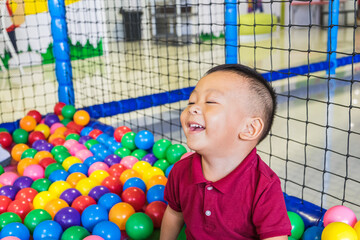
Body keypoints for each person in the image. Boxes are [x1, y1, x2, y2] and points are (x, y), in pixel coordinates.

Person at [160, 64, 292, 240]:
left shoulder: (264, 186)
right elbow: (174, 214)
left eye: (211, 102)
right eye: (191, 101)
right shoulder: (181, 171)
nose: (193, 108)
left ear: (249, 128)